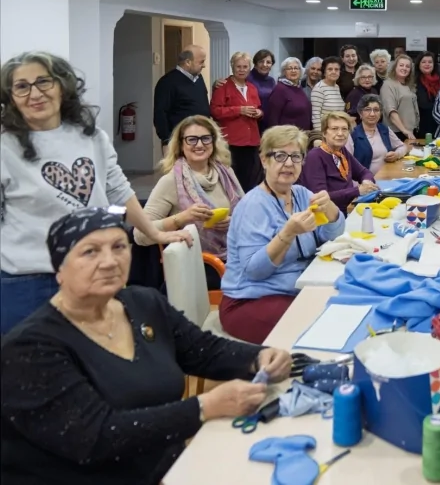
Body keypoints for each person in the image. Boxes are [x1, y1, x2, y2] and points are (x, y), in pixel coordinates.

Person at [0, 207, 293, 485]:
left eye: (119, 247)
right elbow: (96, 437)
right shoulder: (30, 348)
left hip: (165, 466)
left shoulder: (142, 303)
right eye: (90, 251)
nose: (110, 261)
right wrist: (204, 407)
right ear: (59, 269)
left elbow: (204, 350)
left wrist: (259, 357)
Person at [0, 51, 190, 334]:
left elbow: (118, 190)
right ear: (10, 96)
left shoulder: (90, 137)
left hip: (97, 271)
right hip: (30, 282)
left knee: (96, 365)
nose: (34, 93)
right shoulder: (6, 146)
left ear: (62, 85)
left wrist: (154, 232)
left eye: (43, 82)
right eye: (22, 86)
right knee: (33, 372)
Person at [220, 125, 345, 343]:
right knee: (328, 325)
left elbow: (331, 237)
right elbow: (254, 271)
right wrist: (287, 234)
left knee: (344, 304)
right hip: (250, 301)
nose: (288, 163)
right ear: (264, 160)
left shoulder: (301, 194)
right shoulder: (253, 205)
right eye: (280, 155)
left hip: (294, 290)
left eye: (296, 156)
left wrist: (332, 210)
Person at [133, 115, 244, 288]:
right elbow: (139, 235)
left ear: (214, 142)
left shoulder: (226, 173)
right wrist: (182, 218)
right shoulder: (170, 182)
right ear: (181, 144)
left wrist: (233, 221)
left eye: (205, 138)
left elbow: (246, 214)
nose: (199, 145)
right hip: (197, 266)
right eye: (192, 139)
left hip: (235, 256)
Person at [300, 112, 378, 211]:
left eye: (344, 129)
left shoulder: (342, 151)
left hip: (349, 209)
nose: (340, 133)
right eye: (334, 129)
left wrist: (366, 181)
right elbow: (320, 199)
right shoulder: (314, 157)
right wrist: (357, 191)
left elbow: (363, 172)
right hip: (330, 218)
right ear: (324, 133)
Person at [210, 51, 263, 193]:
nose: (242, 70)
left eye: (245, 67)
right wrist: (239, 110)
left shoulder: (251, 87)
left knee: (251, 178)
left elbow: (258, 108)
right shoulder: (223, 86)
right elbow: (215, 111)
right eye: (238, 66)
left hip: (252, 140)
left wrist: (259, 113)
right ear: (232, 66)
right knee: (234, 178)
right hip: (232, 141)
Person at [153, 45, 211, 154]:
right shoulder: (167, 82)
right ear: (188, 62)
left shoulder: (199, 78)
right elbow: (160, 113)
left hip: (201, 137)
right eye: (201, 62)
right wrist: (166, 140)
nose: (204, 65)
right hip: (179, 141)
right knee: (180, 171)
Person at [347, 95, 407, 174]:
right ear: (360, 113)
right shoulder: (352, 135)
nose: (372, 114)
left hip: (388, 177)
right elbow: (347, 166)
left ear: (380, 113)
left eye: (376, 110)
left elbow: (403, 146)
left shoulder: (384, 129)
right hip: (365, 182)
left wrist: (396, 154)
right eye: (367, 110)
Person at [265, 57, 312, 132]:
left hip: (302, 136)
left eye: (296, 68)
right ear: (284, 72)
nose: (293, 71)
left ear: (300, 71)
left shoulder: (299, 87)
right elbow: (272, 118)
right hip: (286, 137)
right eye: (290, 68)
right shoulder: (279, 89)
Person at [380, 54, 419, 141]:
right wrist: (404, 131)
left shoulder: (409, 85)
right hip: (397, 133)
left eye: (407, 66)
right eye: (401, 65)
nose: (404, 68)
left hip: (411, 131)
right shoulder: (388, 84)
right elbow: (391, 111)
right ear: (395, 67)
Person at [310, 56, 345, 131]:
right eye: (330, 69)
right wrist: (320, 135)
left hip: (338, 130)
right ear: (324, 72)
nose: (333, 72)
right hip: (325, 132)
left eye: (336, 69)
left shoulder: (337, 87)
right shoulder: (319, 88)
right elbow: (315, 115)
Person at [415, 51, 440, 138]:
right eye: (423, 62)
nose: (427, 64)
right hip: (422, 124)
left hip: (439, 124)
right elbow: (423, 104)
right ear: (418, 64)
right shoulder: (414, 81)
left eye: (430, 62)